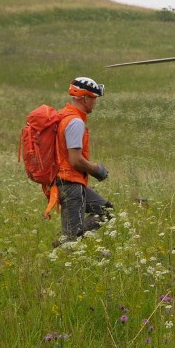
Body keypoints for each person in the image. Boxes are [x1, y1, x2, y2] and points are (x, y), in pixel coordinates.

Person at [54, 77, 113, 244]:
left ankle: (65, 240)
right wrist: (97, 170)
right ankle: (65, 244)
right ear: (85, 98)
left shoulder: (62, 115)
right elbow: (75, 160)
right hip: (70, 183)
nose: (95, 102)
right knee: (72, 240)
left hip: (66, 180)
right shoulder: (75, 122)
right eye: (94, 98)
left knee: (106, 211)